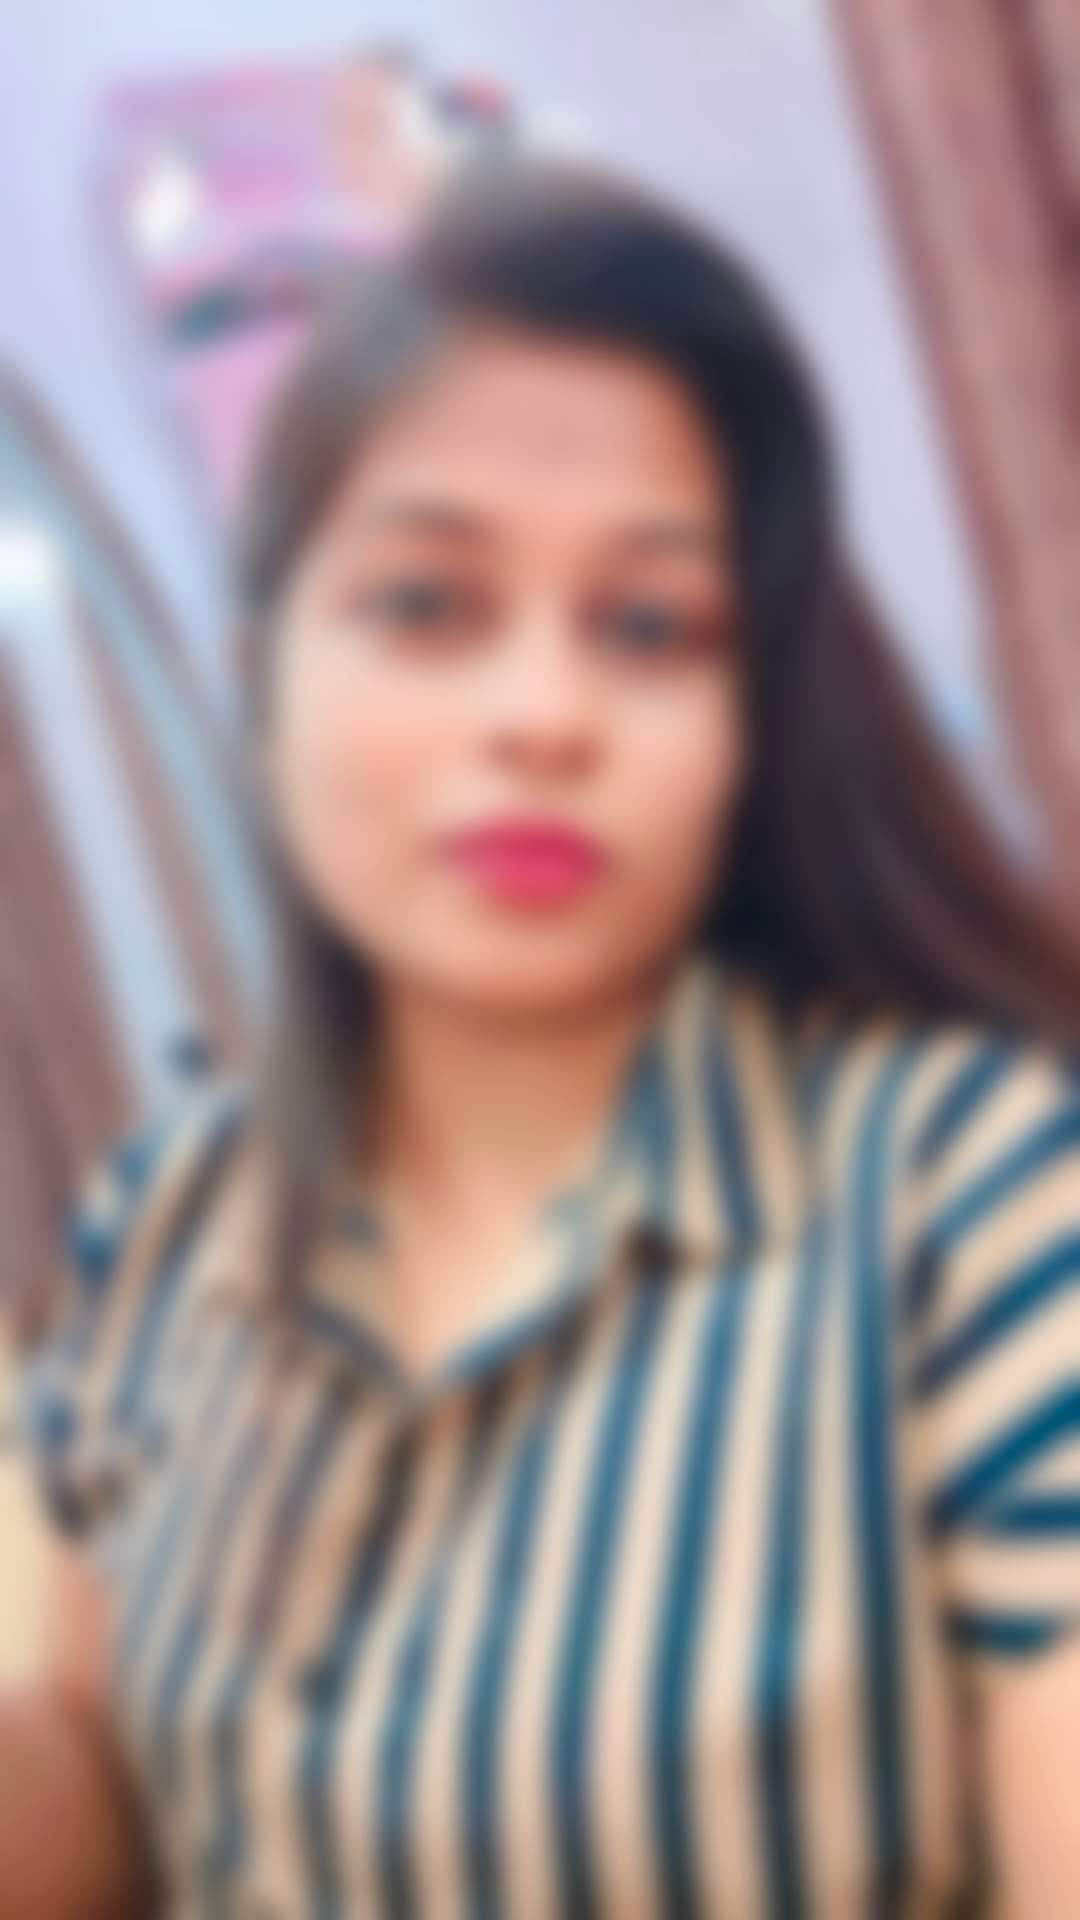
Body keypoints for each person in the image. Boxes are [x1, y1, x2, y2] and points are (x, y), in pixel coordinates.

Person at [6, 155, 1080, 1917]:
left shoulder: (971, 1195)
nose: (543, 715)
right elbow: (96, 1770)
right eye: (427, 606)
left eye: (651, 628)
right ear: (263, 675)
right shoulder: (164, 1217)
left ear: (753, 722)